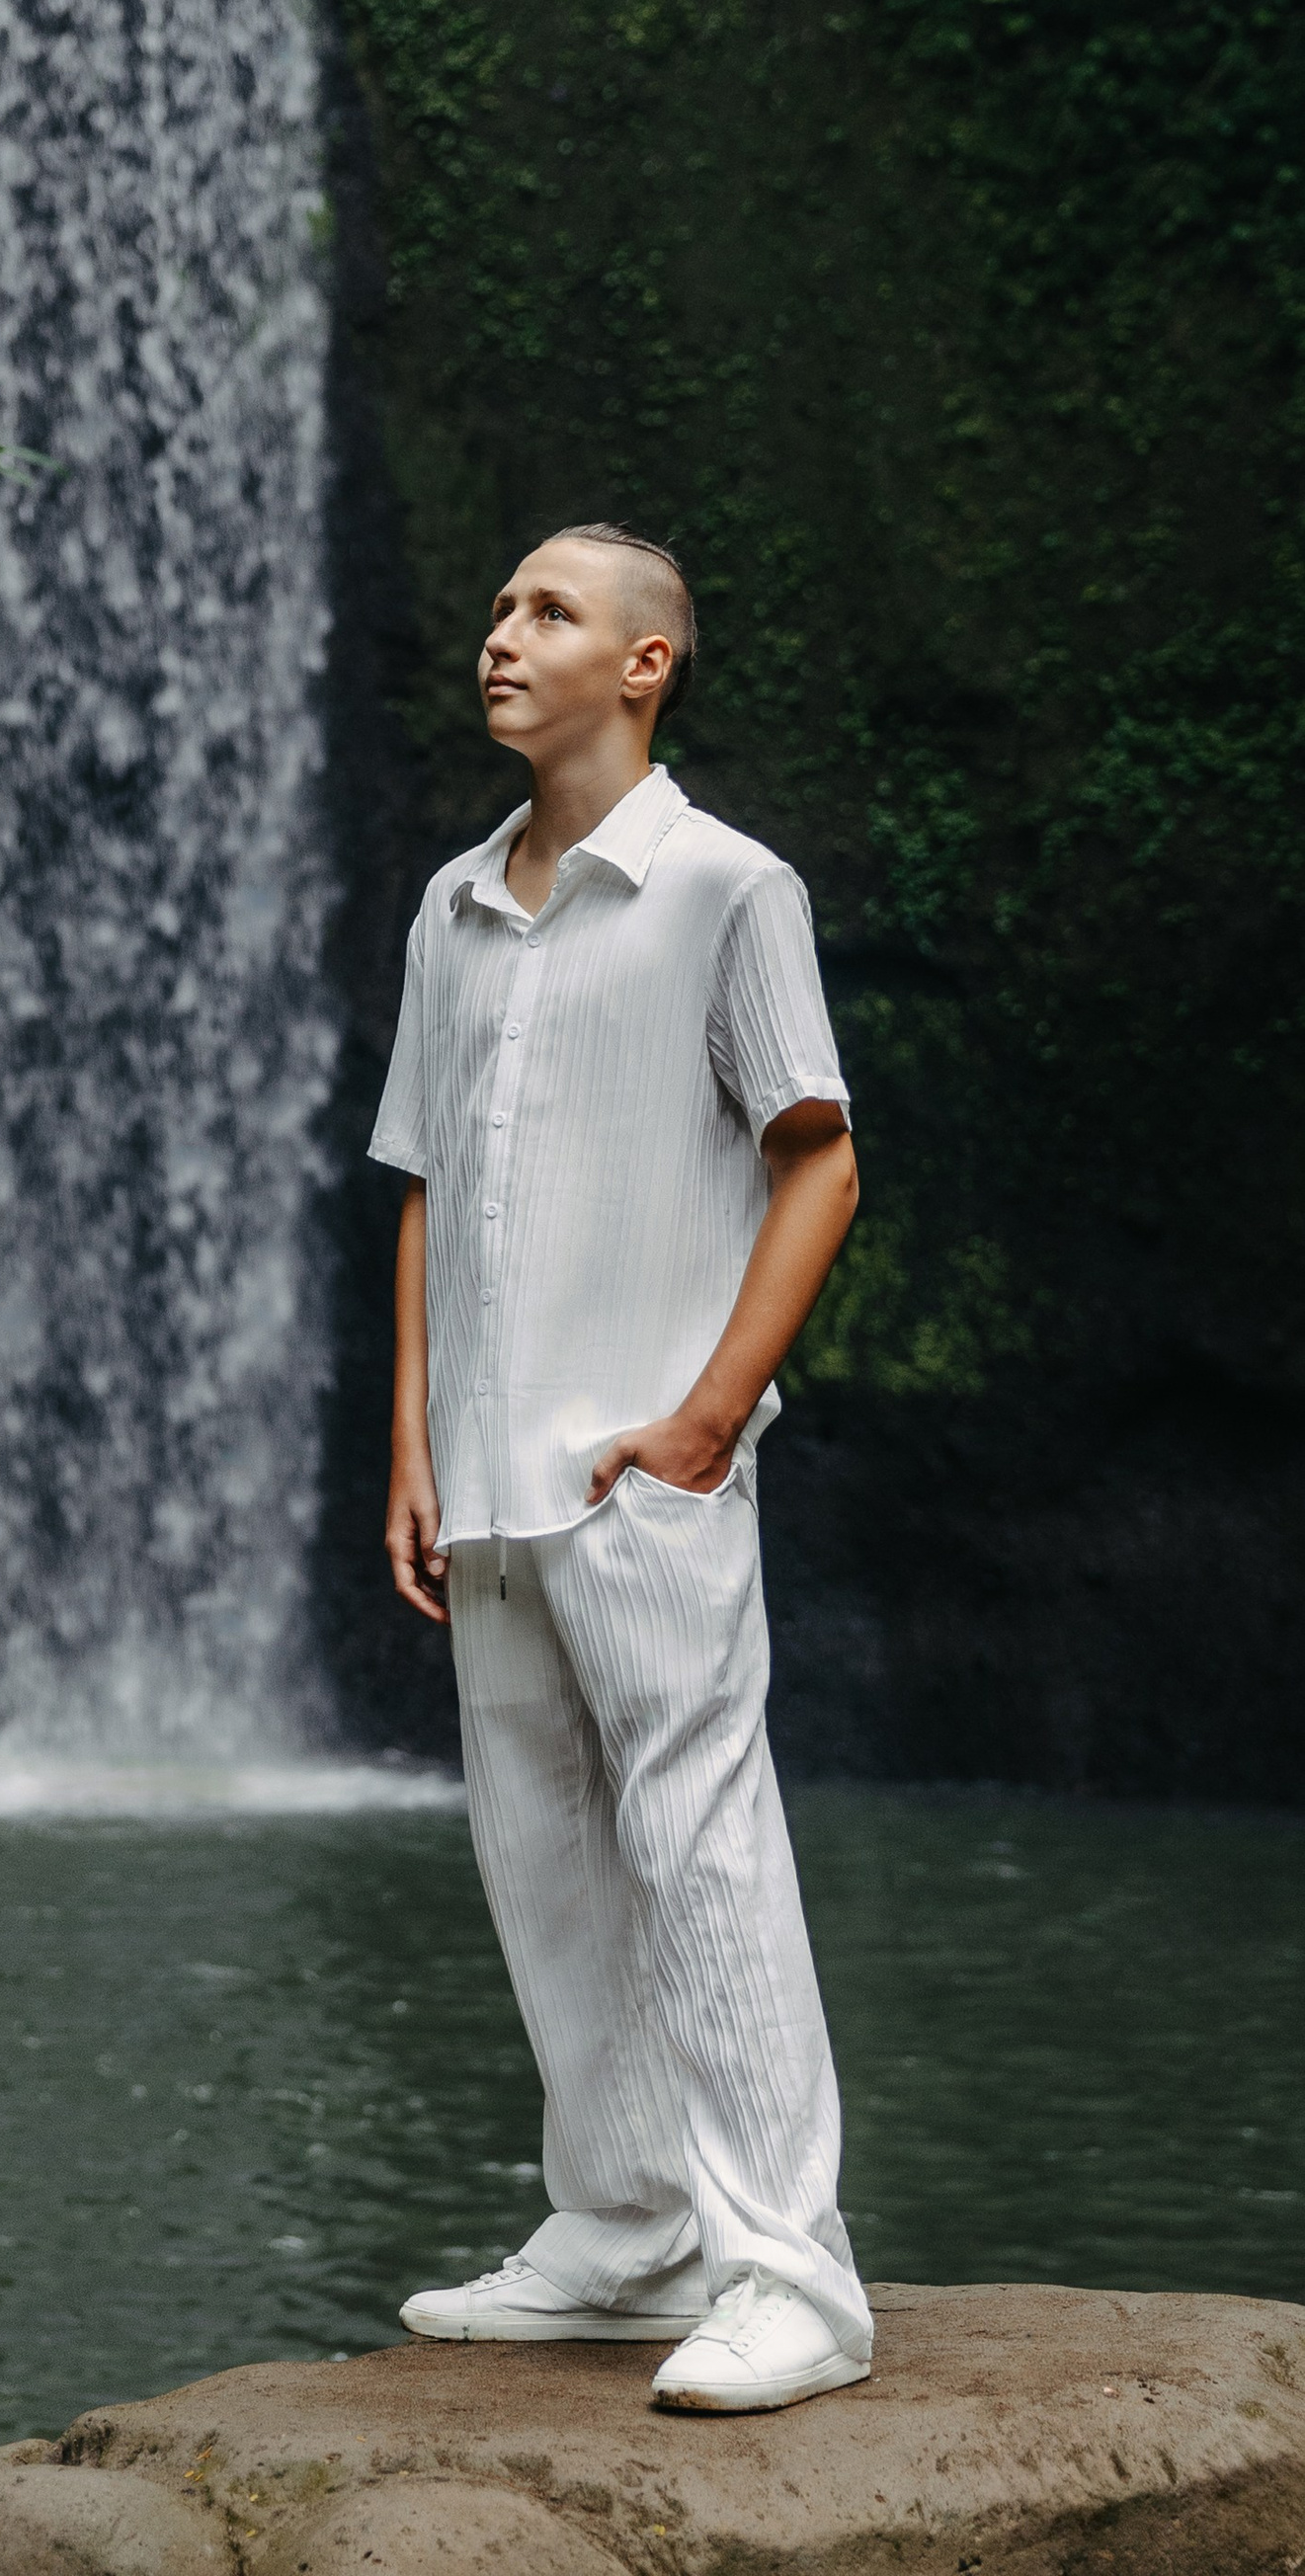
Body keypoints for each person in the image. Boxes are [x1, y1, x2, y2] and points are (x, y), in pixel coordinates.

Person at [372, 523, 868, 2417]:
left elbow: (818, 1155)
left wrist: (704, 1418)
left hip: (643, 1465)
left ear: (645, 665)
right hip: (487, 1470)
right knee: (541, 1843)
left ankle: (792, 2277)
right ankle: (626, 2222)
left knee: (698, 1838)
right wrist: (409, 1433)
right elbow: (420, 1183)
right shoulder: (451, 904)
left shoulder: (730, 889)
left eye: (549, 612)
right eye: (498, 604)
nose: (502, 634)